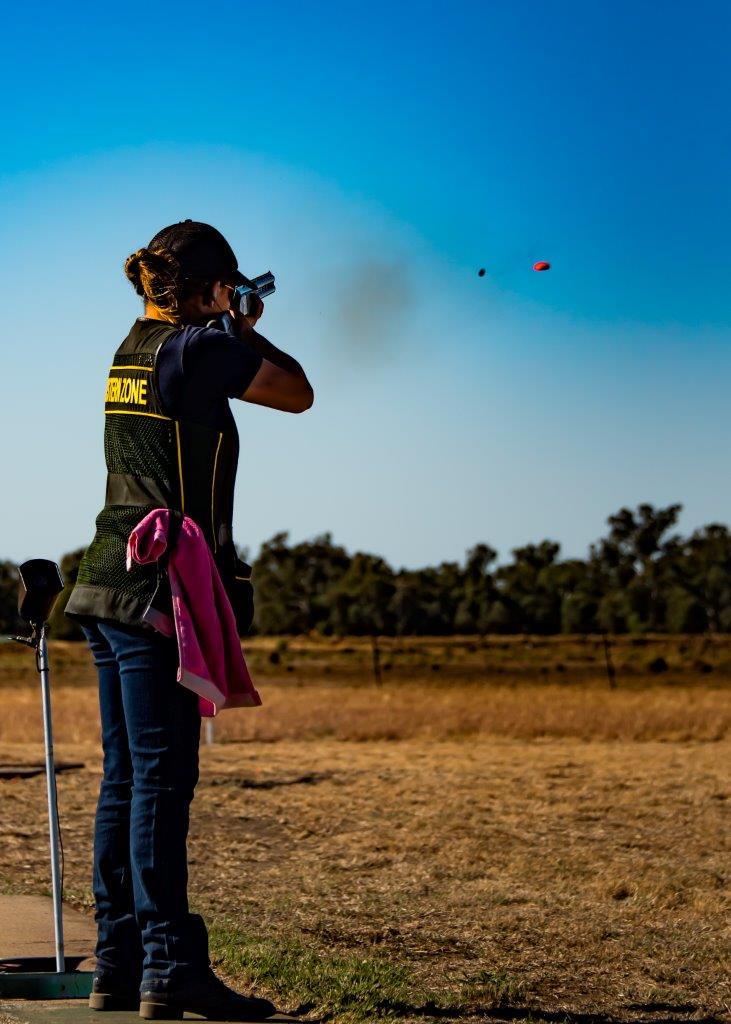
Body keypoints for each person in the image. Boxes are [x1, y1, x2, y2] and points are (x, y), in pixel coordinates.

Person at [65, 220, 313, 1020]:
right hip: (156, 594)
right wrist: (242, 327)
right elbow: (299, 392)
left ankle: (117, 963)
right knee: (161, 785)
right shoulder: (201, 349)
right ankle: (169, 969)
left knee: (124, 782)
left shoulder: (133, 346)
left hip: (105, 578)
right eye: (228, 286)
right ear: (212, 288)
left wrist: (222, 317)